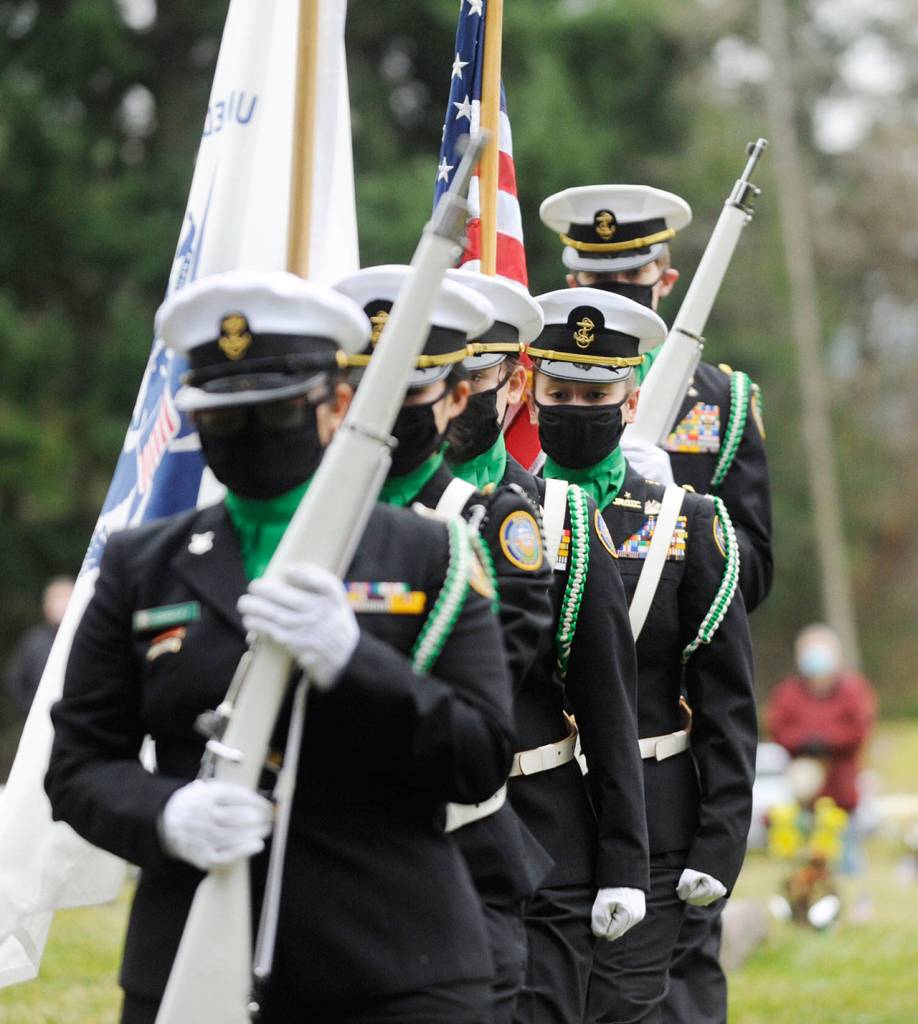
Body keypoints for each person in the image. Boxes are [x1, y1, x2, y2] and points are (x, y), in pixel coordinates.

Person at [44, 270, 517, 1024]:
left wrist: (353, 663)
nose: (248, 437)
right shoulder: (145, 565)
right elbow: (78, 766)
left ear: (335, 406)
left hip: (393, 968)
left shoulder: (428, 553)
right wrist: (168, 814)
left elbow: (480, 755)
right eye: (222, 419)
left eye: (273, 412)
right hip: (192, 959)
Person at [540, 184, 771, 1024]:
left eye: (627, 281)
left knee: (671, 990)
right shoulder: (530, 442)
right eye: (590, 277)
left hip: (663, 713)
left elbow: (752, 583)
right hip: (560, 781)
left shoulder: (723, 402)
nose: (609, 297)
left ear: (662, 281)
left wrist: (674, 534)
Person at [335, 263, 557, 1023]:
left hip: (456, 848)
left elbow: (481, 709)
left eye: (407, 390)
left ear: (457, 396)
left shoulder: (489, 527)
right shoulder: (306, 527)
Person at [441, 271, 651, 1024]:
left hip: (543, 827)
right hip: (424, 829)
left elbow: (608, 701)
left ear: (514, 382)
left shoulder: (557, 517)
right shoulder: (385, 514)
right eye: (446, 378)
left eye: (480, 377)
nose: (462, 397)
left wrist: (625, 859)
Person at [766, 623, 876, 874]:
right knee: (807, 864)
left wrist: (826, 739)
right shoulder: (788, 693)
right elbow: (778, 728)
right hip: (804, 798)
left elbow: (860, 729)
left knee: (847, 858)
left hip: (843, 794)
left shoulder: (853, 689)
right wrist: (804, 741)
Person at [5, 576, 74, 715]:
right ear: (46, 606)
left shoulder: (90, 637)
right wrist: (34, 710)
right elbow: (16, 681)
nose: (62, 605)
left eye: (67, 598)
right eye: (56, 599)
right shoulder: (33, 641)